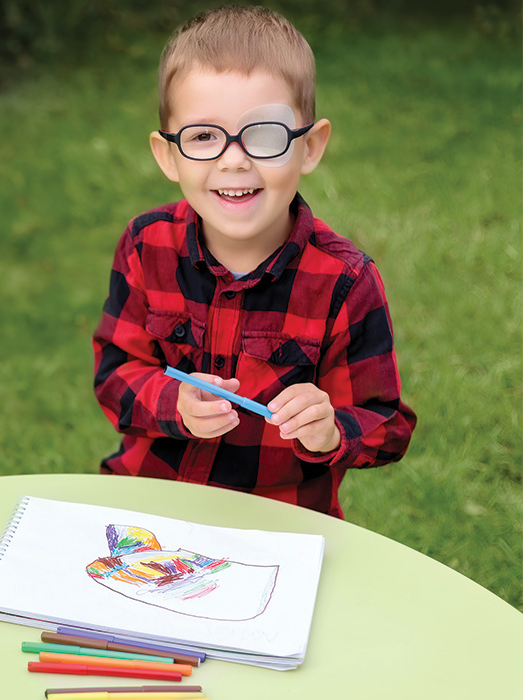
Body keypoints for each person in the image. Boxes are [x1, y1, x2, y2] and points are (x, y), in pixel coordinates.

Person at [92, 5, 416, 518]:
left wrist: (331, 429)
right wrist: (171, 403)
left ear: (309, 147)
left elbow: (387, 425)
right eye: (203, 136)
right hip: (148, 502)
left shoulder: (344, 281)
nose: (234, 158)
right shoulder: (146, 244)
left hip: (274, 526)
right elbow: (114, 374)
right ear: (167, 155)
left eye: (263, 133)